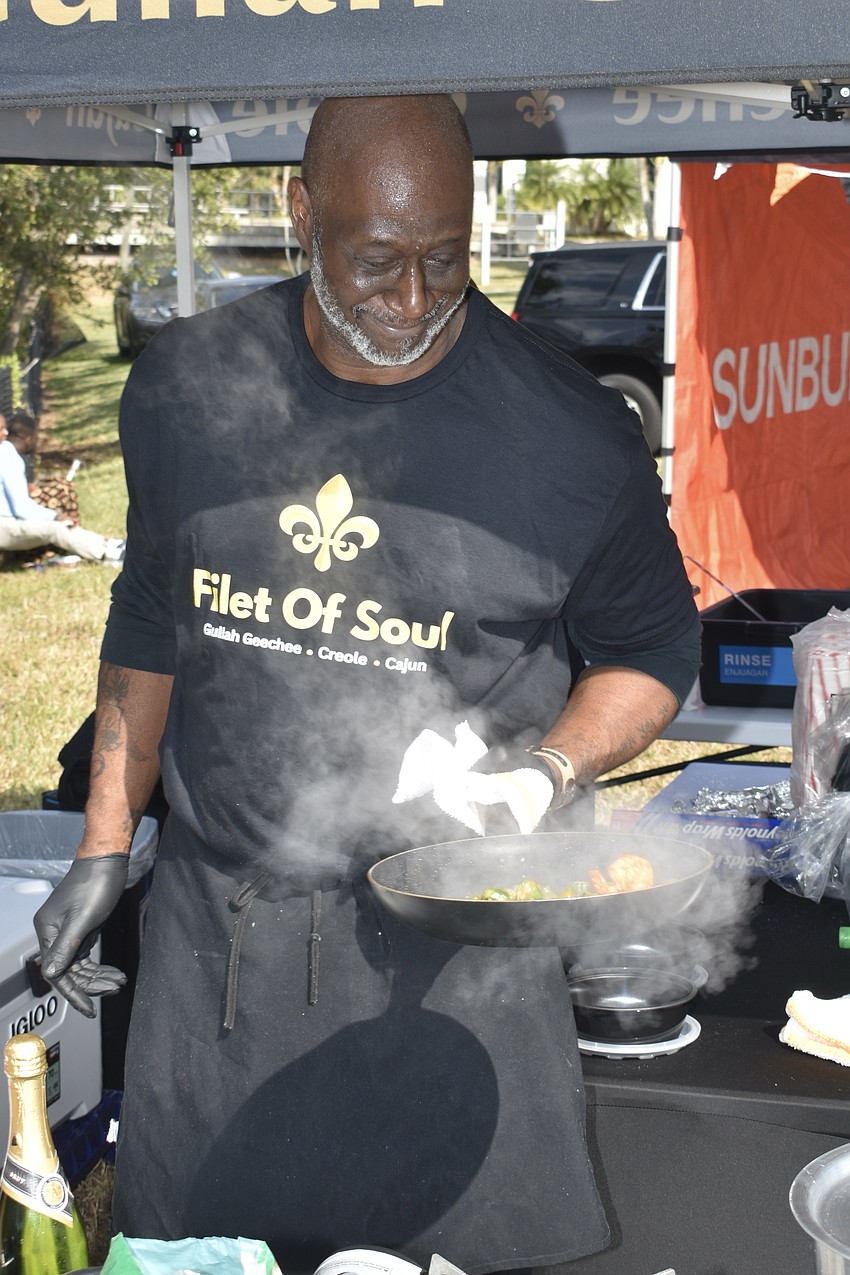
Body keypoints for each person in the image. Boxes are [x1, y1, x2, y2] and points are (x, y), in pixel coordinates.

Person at [33, 95, 700, 1273]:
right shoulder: (188, 386)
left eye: (444, 260)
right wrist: (100, 842)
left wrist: (545, 774)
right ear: (300, 214)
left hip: (457, 960)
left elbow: (652, 656)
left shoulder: (567, 438)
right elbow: (148, 612)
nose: (411, 301)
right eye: (375, 260)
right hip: (219, 955)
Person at [0, 411, 125, 563]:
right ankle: (106, 554)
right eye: (1, 429)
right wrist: (56, 516)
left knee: (59, 524)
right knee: (56, 528)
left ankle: (106, 543)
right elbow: (21, 508)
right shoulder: (7, 455)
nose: (6, 433)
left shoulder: (5, 450)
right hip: (5, 527)